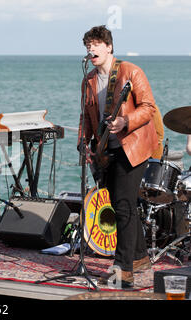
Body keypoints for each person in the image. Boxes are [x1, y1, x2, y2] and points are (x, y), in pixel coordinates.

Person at [78, 25, 158, 288]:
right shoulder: (88, 80)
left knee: (123, 205)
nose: (91, 49)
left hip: (133, 145)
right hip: (105, 149)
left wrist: (126, 121)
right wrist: (83, 142)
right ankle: (138, 256)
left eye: (96, 44)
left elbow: (148, 107)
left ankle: (123, 270)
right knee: (120, 203)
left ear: (109, 47)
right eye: (88, 45)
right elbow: (86, 116)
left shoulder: (131, 71)